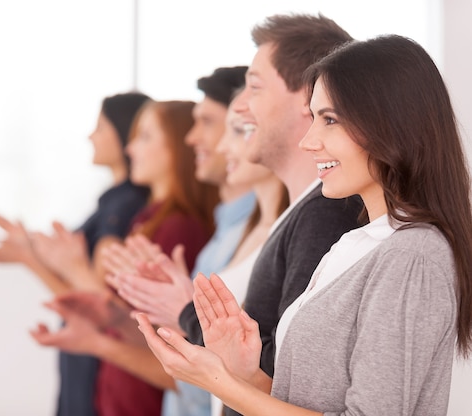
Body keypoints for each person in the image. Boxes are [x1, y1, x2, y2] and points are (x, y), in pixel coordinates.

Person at [138, 34, 472, 416]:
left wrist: (221, 383)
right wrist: (243, 372)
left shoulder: (413, 255)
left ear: (390, 123)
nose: (309, 141)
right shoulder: (354, 245)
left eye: (330, 119)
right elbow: (300, 401)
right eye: (313, 118)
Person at [30, 100, 218, 416]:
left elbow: (161, 336)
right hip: (119, 390)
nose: (131, 149)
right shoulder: (148, 218)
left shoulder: (178, 226)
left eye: (144, 137)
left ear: (176, 147)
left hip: (140, 396)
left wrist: (68, 268)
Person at [108, 89, 289, 416]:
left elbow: (243, 372)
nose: (203, 141)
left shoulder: (187, 227)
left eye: (238, 129)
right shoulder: (230, 230)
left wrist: (182, 312)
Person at [0, 91, 150, 416]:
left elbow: (97, 302)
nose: (90, 136)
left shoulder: (123, 206)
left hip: (98, 361)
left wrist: (28, 258)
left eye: (100, 127)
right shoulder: (115, 202)